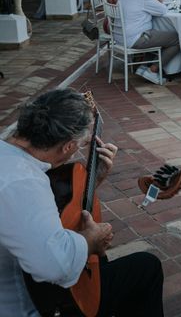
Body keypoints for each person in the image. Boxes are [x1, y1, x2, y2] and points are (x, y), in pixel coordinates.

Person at [0, 88, 164, 316]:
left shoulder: (9, 153)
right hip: (29, 303)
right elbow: (53, 267)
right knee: (146, 267)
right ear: (67, 146)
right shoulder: (23, 182)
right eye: (80, 145)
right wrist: (89, 241)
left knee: (101, 267)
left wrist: (92, 180)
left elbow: (43, 214)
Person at [118, 0, 180, 85]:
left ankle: (144, 66)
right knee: (177, 38)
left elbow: (139, 4)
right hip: (135, 38)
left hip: (120, 36)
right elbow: (162, 11)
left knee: (156, 32)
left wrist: (152, 0)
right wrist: (158, 1)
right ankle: (152, 70)